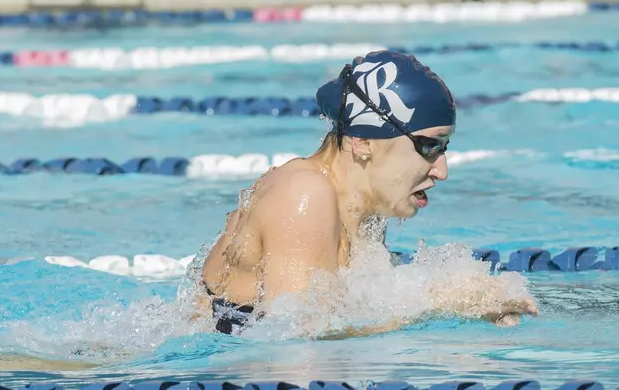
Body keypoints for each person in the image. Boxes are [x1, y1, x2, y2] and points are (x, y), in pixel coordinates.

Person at [194, 50, 538, 337]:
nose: (442, 170)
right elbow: (294, 335)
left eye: (444, 148)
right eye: (429, 146)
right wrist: (448, 303)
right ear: (363, 142)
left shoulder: (363, 209)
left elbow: (350, 314)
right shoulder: (303, 195)